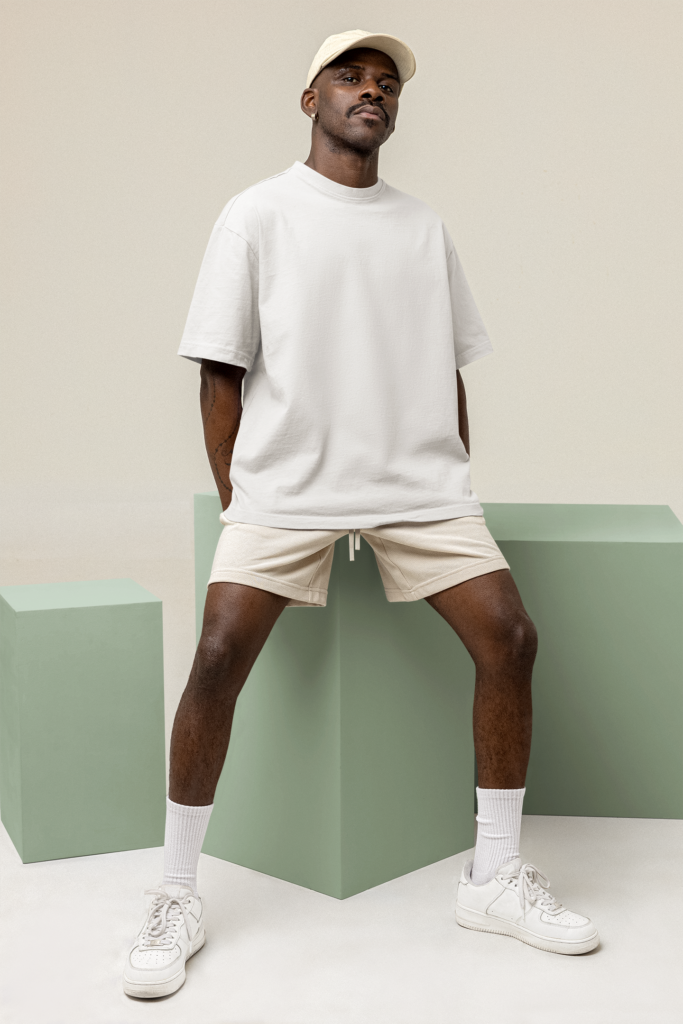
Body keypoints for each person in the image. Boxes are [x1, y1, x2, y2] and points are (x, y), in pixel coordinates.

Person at [123, 28, 599, 999]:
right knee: (216, 655)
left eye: (385, 83)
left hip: (418, 488)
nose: (370, 91)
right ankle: (175, 892)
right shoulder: (256, 214)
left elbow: (447, 365)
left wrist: (449, 474)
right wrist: (241, 495)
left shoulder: (422, 227)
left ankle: (492, 876)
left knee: (510, 636)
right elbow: (219, 369)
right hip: (287, 488)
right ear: (311, 99)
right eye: (349, 76)